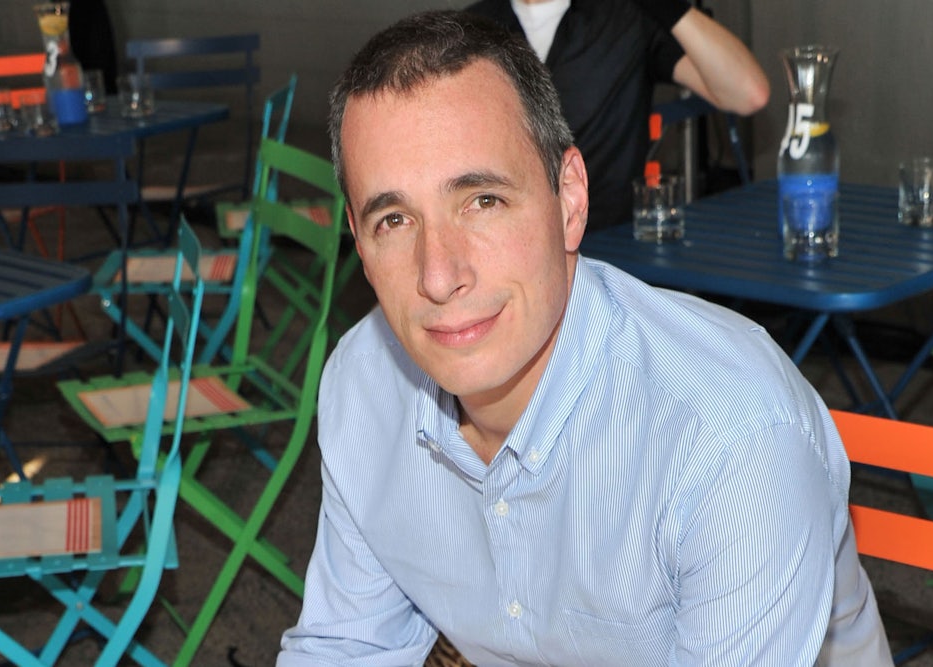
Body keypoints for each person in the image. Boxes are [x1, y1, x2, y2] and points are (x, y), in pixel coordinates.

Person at [278, 10, 891, 666]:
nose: (438, 275)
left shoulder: (728, 438)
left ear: (570, 198)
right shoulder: (365, 382)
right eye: (394, 220)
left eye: (483, 200)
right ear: (358, 240)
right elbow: (349, 648)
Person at [466, 0, 770, 231]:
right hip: (500, 238)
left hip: (607, 245)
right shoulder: (470, 28)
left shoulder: (624, 18)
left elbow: (748, 93)